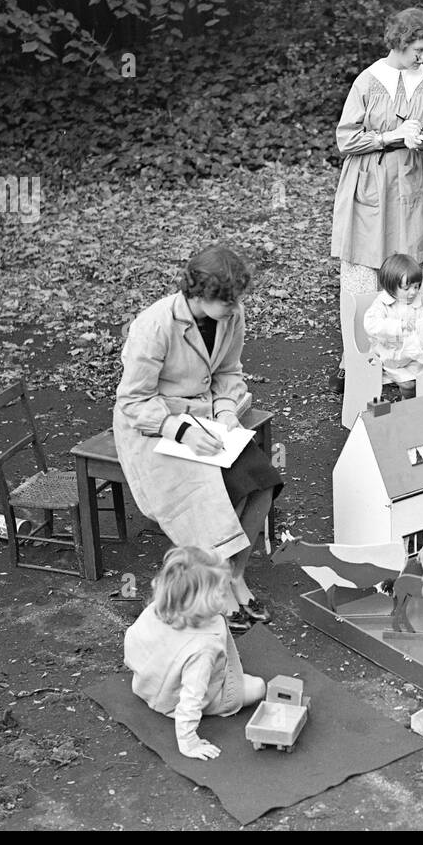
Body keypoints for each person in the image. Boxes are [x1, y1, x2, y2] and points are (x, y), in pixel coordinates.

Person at [114, 243, 284, 634]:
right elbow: (133, 399)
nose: (235, 307)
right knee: (203, 495)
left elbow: (229, 372)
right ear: (198, 293)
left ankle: (235, 575)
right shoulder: (154, 325)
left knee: (262, 480)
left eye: (236, 298)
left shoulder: (231, 315)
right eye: (226, 300)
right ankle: (217, 586)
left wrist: (226, 413)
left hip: (208, 418)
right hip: (155, 428)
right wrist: (181, 430)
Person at [331, 6, 423, 390]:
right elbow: (346, 139)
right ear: (398, 43)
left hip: (415, 185)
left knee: (412, 263)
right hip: (371, 184)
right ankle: (358, 360)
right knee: (367, 270)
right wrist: (390, 137)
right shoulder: (368, 80)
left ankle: (413, 358)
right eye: (418, 49)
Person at [124, 546, 268, 761]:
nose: (225, 594)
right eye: (221, 591)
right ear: (204, 602)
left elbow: (132, 647)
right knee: (257, 687)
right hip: (175, 701)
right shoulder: (203, 647)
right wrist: (188, 741)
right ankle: (219, 694)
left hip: (145, 686)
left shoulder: (159, 607)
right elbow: (192, 698)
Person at [363, 252, 423, 397]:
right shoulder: (382, 304)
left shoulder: (421, 299)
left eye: (416, 287)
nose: (413, 292)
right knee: (409, 384)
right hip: (393, 356)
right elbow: (371, 324)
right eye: (406, 288)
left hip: (419, 352)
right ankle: (409, 402)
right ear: (391, 286)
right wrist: (399, 326)